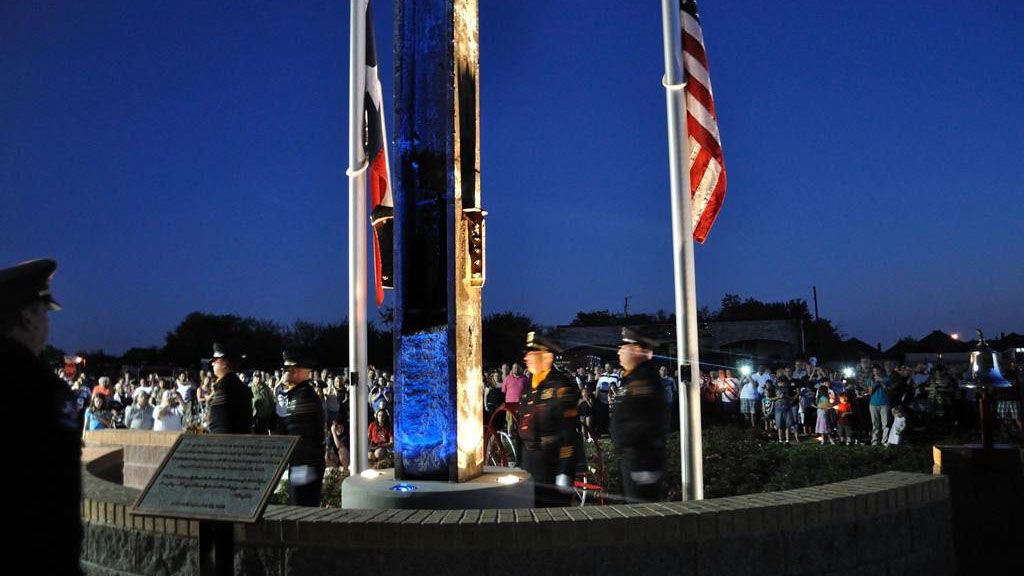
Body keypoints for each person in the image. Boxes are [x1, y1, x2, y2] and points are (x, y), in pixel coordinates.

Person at [0, 259, 82, 574]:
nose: (48, 324)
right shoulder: (42, 390)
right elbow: (54, 495)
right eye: (44, 312)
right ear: (27, 316)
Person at [518, 332, 580, 507]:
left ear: (547, 357)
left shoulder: (560, 386)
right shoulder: (529, 386)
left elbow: (570, 433)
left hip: (550, 465)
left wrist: (564, 471)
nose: (526, 358)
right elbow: (522, 424)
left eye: (532, 354)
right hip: (530, 463)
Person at [611, 328, 667, 503]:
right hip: (633, 457)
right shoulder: (632, 377)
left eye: (624, 346)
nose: (619, 351)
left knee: (643, 512)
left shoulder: (644, 380)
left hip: (643, 459)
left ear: (636, 350)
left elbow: (647, 422)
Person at [277, 350, 326, 506]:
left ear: (297, 371)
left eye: (287, 370)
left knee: (301, 509)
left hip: (304, 465)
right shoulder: (297, 394)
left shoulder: (302, 397)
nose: (284, 373)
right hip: (302, 464)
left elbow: (287, 428)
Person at [207, 342, 253, 434]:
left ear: (224, 363)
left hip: (225, 444)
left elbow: (220, 426)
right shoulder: (237, 385)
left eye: (215, 359)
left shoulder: (225, 388)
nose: (212, 363)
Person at [866, 365, 892, 445]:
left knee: (885, 423)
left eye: (877, 370)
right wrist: (874, 385)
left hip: (884, 403)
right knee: (875, 423)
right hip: (873, 404)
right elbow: (870, 393)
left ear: (880, 370)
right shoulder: (870, 380)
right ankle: (874, 441)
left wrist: (882, 382)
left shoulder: (887, 379)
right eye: (874, 371)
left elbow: (890, 392)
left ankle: (885, 441)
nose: (876, 372)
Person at [250, 370, 277, 435]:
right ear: (253, 377)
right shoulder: (250, 387)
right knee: (256, 434)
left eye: (259, 377)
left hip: (265, 416)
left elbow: (271, 400)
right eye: (256, 377)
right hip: (255, 416)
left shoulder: (266, 387)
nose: (258, 378)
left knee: (264, 434)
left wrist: (270, 411)